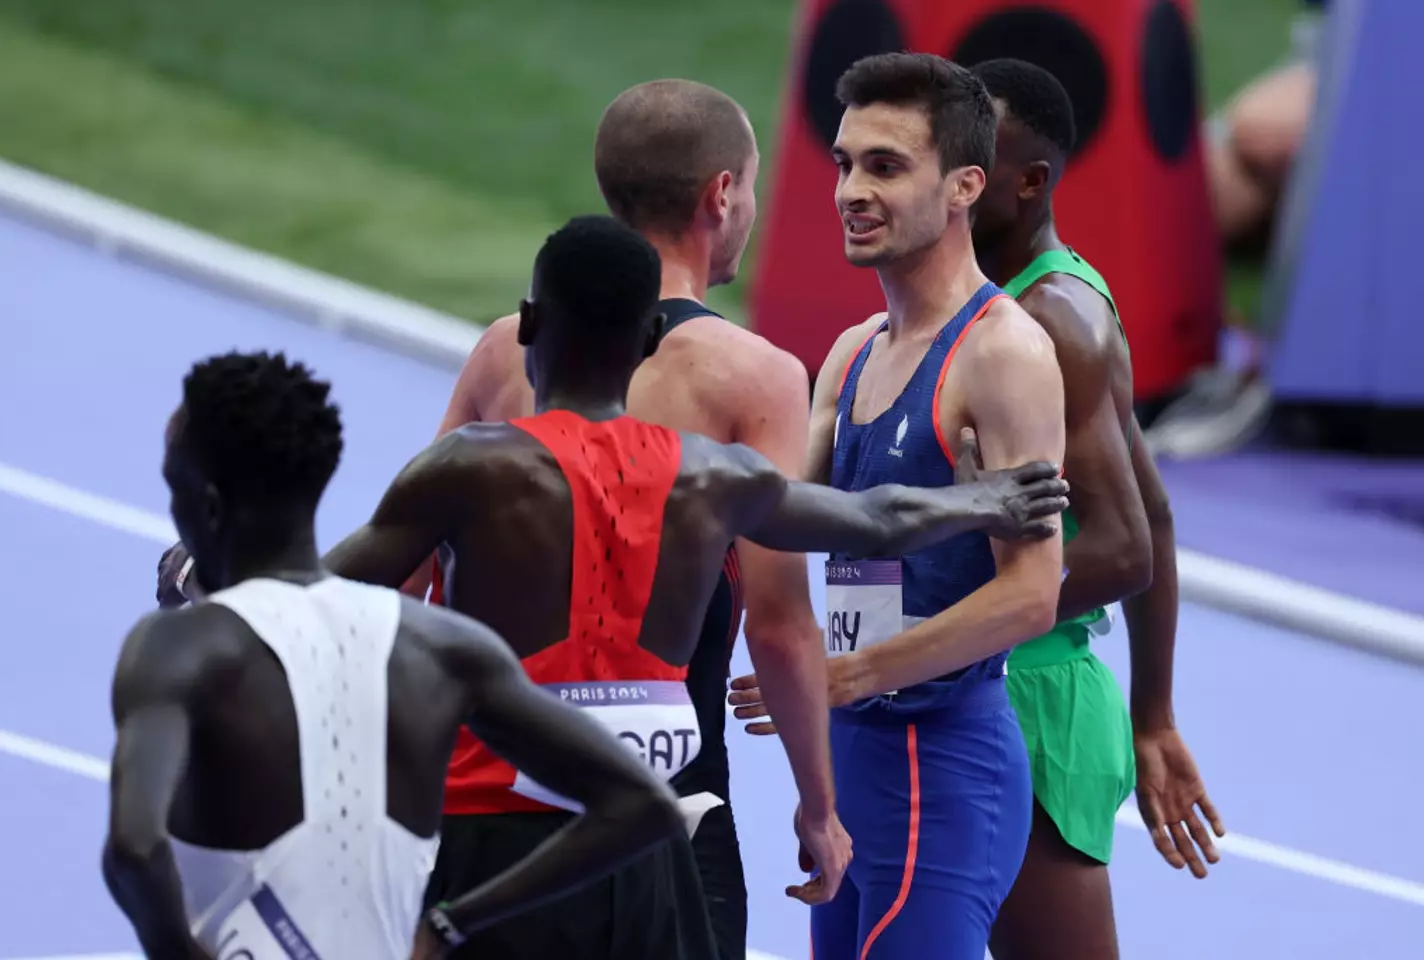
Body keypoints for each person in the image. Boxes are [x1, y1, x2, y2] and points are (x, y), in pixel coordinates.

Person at [321, 214, 1069, 957]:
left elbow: (320, 593)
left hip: (495, 842)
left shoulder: (470, 467)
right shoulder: (710, 478)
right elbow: (877, 518)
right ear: (650, 338)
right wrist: (986, 501)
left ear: (529, 325)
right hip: (647, 846)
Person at [404, 77, 840, 960]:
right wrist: (819, 806)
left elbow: (413, 579)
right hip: (667, 800)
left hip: (491, 800)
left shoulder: (506, 349)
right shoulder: (755, 377)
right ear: (722, 194)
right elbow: (779, 622)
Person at [107, 351, 688, 960]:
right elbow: (645, 803)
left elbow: (134, 849)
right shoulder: (446, 649)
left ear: (206, 505)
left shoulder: (178, 648)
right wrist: (449, 925)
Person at [729, 52, 1066, 960]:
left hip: (940, 765)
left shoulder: (1004, 356)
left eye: (885, 166)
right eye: (845, 164)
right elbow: (775, 521)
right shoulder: (852, 353)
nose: (851, 191)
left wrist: (844, 676)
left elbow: (1033, 594)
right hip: (849, 759)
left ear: (964, 186)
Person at [966, 58, 1226, 959]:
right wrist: (1154, 714)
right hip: (970, 674)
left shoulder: (1052, 317)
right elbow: (1155, 511)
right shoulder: (994, 302)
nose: (946, 175)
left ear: (1029, 180)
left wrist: (940, 617)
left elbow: (1125, 543)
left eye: (972, 159)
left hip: (1023, 695)